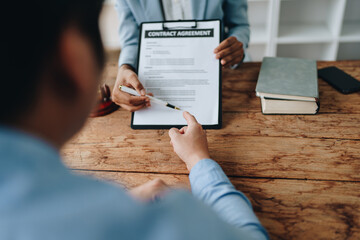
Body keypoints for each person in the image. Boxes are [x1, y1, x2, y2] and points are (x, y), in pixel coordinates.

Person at [0, 0, 268, 239]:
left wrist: (237, 45)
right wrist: (199, 162)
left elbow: (239, 25)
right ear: (72, 58)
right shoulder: (165, 218)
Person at [112, 0, 250, 111]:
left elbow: (240, 25)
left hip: (218, 74)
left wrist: (238, 44)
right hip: (159, 78)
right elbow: (131, 41)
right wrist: (125, 67)